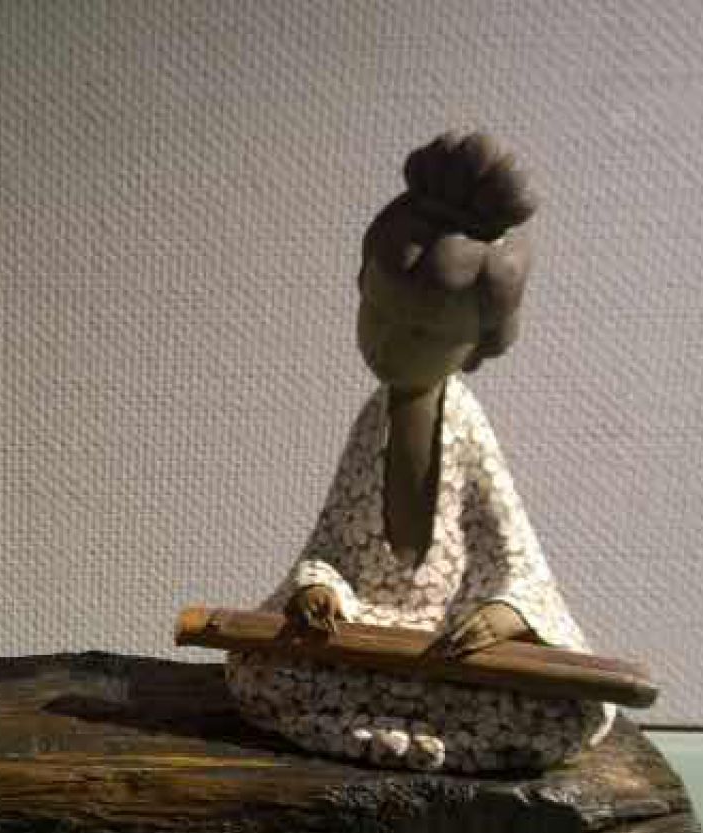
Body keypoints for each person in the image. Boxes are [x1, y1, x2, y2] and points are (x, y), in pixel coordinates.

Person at [227, 132, 611, 774]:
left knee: (563, 706)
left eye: (424, 333)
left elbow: (513, 552)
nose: (390, 344)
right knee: (258, 672)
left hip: (450, 639)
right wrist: (320, 589)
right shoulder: (373, 420)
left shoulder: (466, 425)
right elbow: (334, 541)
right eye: (377, 314)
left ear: (479, 343)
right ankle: (421, 734)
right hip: (368, 633)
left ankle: (385, 731)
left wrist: (507, 612)